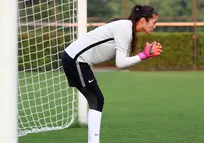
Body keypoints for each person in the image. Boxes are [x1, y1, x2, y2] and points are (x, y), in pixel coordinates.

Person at [61, 4, 162, 143]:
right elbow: (120, 64)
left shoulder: (127, 29)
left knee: (96, 99)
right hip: (75, 60)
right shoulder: (125, 28)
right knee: (96, 99)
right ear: (143, 20)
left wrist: (144, 55)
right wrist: (144, 55)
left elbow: (122, 62)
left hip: (77, 60)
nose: (155, 26)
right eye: (154, 22)